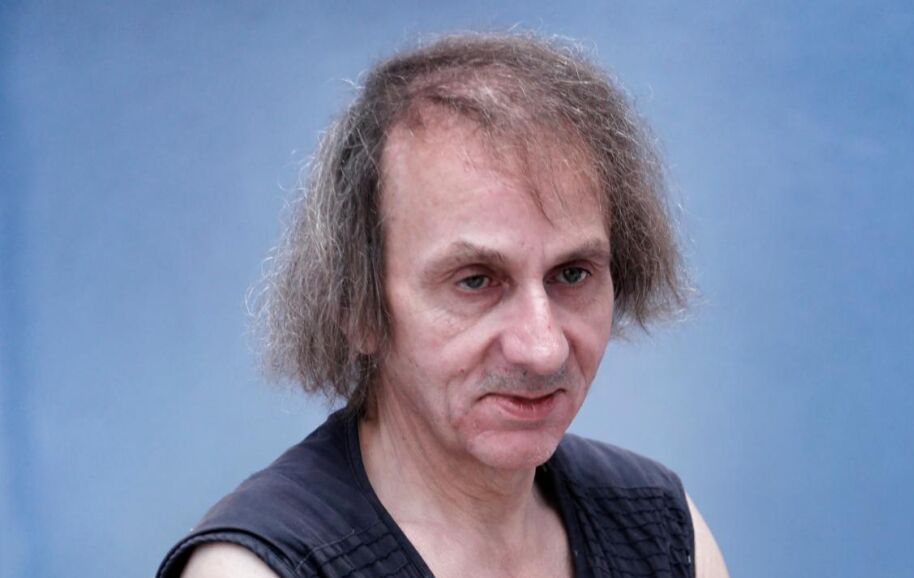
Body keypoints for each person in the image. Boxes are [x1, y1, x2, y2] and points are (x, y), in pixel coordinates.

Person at [158, 32, 729, 578]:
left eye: (572, 274)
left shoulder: (663, 532)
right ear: (357, 307)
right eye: (476, 281)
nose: (543, 348)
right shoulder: (260, 571)